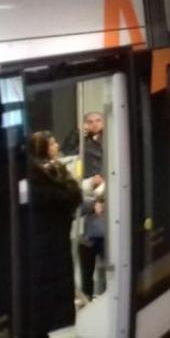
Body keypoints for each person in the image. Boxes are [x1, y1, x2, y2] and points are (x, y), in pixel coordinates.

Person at [26, 131, 82, 336]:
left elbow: (73, 195)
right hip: (47, 245)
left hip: (54, 242)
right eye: (53, 143)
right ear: (44, 148)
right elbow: (68, 196)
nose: (57, 145)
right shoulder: (38, 176)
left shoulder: (51, 170)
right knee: (49, 296)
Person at [79, 112, 106, 302]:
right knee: (87, 262)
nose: (95, 124)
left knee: (106, 259)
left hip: (106, 202)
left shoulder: (111, 141)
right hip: (88, 203)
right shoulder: (83, 145)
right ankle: (87, 297)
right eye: (90, 121)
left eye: (98, 120)